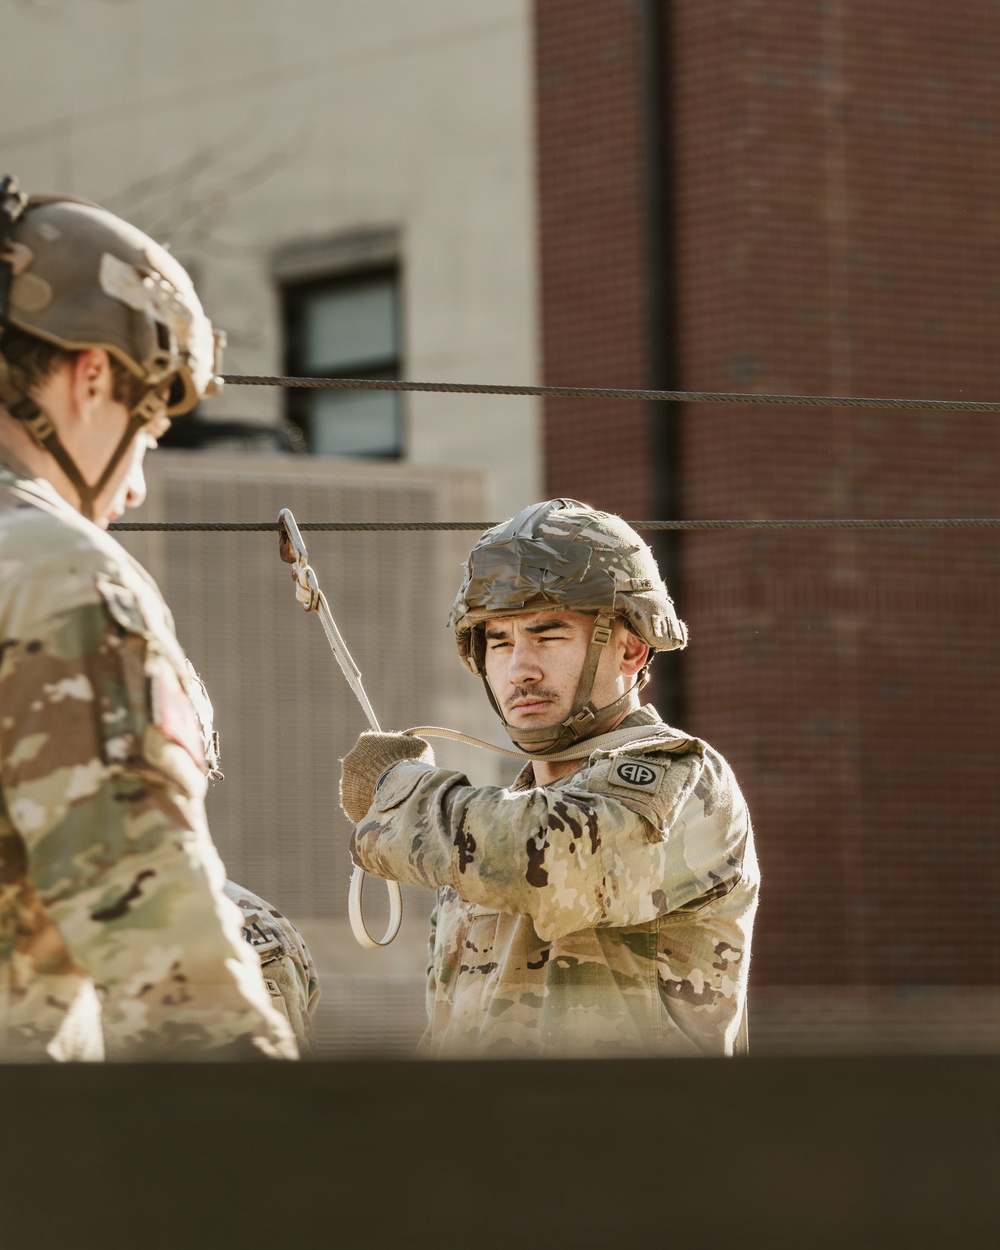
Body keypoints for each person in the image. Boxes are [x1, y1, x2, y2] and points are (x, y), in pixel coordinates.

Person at [0, 176, 297, 1061]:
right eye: (149, 429)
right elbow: (171, 968)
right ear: (90, 377)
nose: (132, 488)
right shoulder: (53, 575)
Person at [340, 498, 759, 1057]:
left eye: (548, 635)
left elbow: (553, 860)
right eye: (499, 641)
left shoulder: (683, 778)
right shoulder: (497, 816)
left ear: (632, 648)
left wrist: (399, 794)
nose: (520, 669)